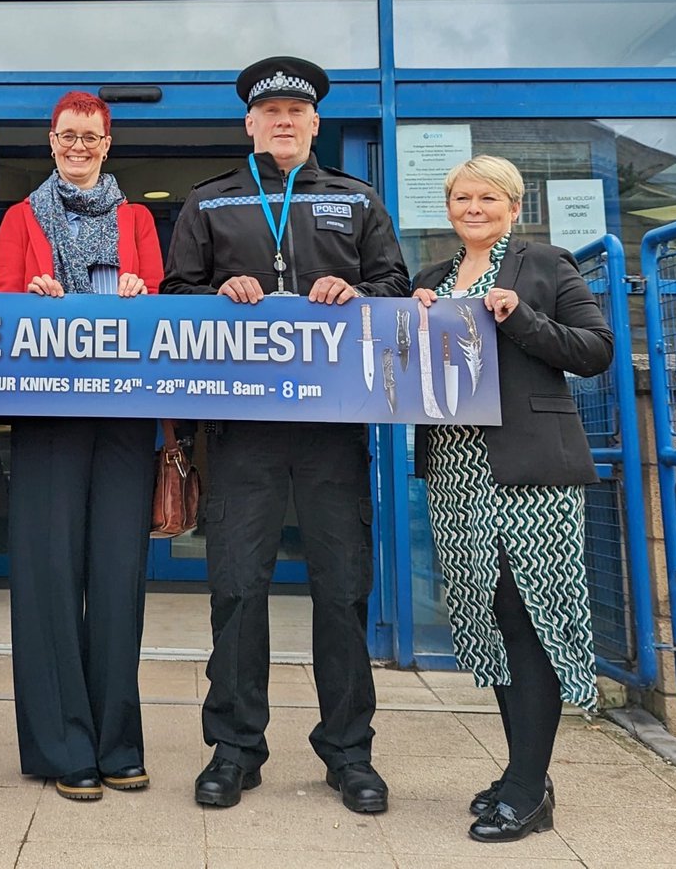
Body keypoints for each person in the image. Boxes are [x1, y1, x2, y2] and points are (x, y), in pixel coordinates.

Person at [162, 57, 409, 812]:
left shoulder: (356, 199)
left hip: (334, 430)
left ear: (314, 124)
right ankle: (234, 749)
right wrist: (215, 294)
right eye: (268, 111)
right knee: (238, 588)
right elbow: (173, 301)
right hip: (243, 432)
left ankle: (348, 754)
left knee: (342, 590)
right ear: (248, 123)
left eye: (294, 113)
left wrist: (357, 291)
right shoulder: (208, 205)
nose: (282, 121)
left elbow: (396, 289)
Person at [411, 155, 611, 842]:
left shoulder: (546, 265)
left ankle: (528, 789)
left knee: (530, 620)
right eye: (462, 197)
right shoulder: (431, 280)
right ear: (449, 208)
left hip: (531, 475)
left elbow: (595, 350)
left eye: (488, 197)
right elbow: (404, 369)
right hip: (456, 471)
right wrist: (410, 328)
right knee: (493, 622)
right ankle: (524, 768)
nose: (474, 207)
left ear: (513, 206)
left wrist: (520, 317)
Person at [0, 90, 163, 801]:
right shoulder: (19, 217)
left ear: (108, 142)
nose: (80, 146)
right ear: (51, 138)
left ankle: (118, 740)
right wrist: (28, 296)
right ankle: (65, 747)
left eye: (92, 137)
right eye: (69, 135)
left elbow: (160, 297)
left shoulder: (139, 217)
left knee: (120, 576)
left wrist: (139, 291)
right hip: (47, 415)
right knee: (48, 580)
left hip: (123, 416)